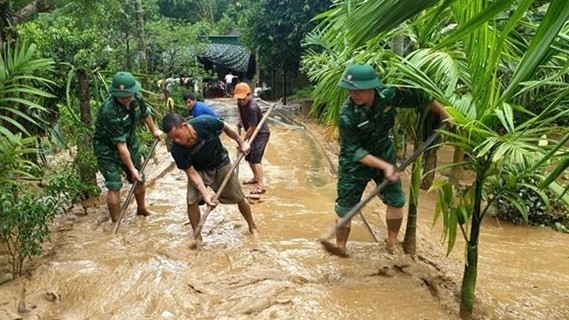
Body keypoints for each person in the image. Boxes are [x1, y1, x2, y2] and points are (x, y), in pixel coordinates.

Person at [334, 63, 451, 256]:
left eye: (358, 91)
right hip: (354, 164)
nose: (353, 95)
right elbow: (355, 151)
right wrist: (385, 167)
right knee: (345, 209)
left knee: (396, 200)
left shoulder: (388, 95)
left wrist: (446, 115)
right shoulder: (347, 114)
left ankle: (391, 242)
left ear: (372, 87)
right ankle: (340, 249)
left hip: (383, 153)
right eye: (350, 90)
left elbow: (422, 98)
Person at [161, 112, 256, 242]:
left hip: (219, 162)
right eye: (172, 138)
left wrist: (241, 143)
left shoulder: (205, 122)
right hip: (198, 170)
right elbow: (191, 172)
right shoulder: (176, 150)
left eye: (177, 136)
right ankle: (197, 237)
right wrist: (205, 194)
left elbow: (226, 127)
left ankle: (251, 226)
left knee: (238, 197)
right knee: (191, 200)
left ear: (185, 126)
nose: (176, 140)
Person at [93, 71, 163, 223]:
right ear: (115, 94)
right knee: (114, 184)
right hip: (107, 148)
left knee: (140, 179)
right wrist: (132, 170)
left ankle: (142, 209)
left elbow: (145, 113)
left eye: (128, 95)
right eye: (122, 97)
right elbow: (120, 145)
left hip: (130, 142)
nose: (126, 99)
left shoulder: (136, 97)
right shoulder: (109, 111)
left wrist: (154, 130)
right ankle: (116, 220)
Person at [234, 82, 270, 195]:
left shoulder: (252, 107)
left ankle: (261, 185)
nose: (241, 101)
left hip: (261, 133)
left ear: (249, 95)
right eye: (239, 99)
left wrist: (242, 142)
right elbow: (239, 109)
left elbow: (252, 128)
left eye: (243, 99)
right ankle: (255, 177)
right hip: (253, 132)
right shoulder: (240, 102)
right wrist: (239, 119)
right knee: (248, 157)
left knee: (255, 159)